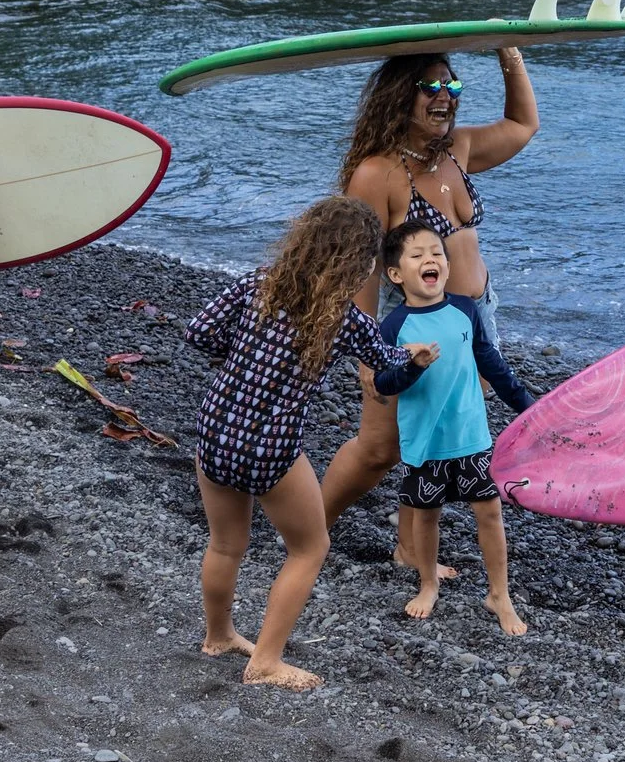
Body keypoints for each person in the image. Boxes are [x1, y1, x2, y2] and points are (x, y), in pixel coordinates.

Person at [187, 198, 438, 691]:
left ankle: (218, 636)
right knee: (309, 547)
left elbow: (199, 332)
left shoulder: (255, 285)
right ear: (359, 263)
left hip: (215, 430)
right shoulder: (344, 319)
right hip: (270, 447)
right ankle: (266, 660)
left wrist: (236, 357)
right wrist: (418, 359)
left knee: (225, 543)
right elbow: (387, 364)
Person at [320, 49, 539, 574]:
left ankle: (409, 548)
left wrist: (510, 57)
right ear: (400, 96)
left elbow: (522, 124)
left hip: (472, 318)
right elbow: (364, 270)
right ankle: (309, 530)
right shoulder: (378, 173)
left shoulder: (458, 149)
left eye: (453, 87)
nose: (445, 97)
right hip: (409, 324)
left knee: (437, 431)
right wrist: (367, 354)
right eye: (430, 87)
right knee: (378, 448)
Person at [375, 222, 532, 634]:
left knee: (490, 513)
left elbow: (491, 362)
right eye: (417, 254)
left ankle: (499, 593)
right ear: (396, 274)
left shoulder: (465, 309)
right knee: (426, 517)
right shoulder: (393, 328)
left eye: (436, 252)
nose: (431, 259)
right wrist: (413, 366)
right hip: (425, 442)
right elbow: (383, 384)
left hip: (470, 435)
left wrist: (528, 408)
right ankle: (428, 584)